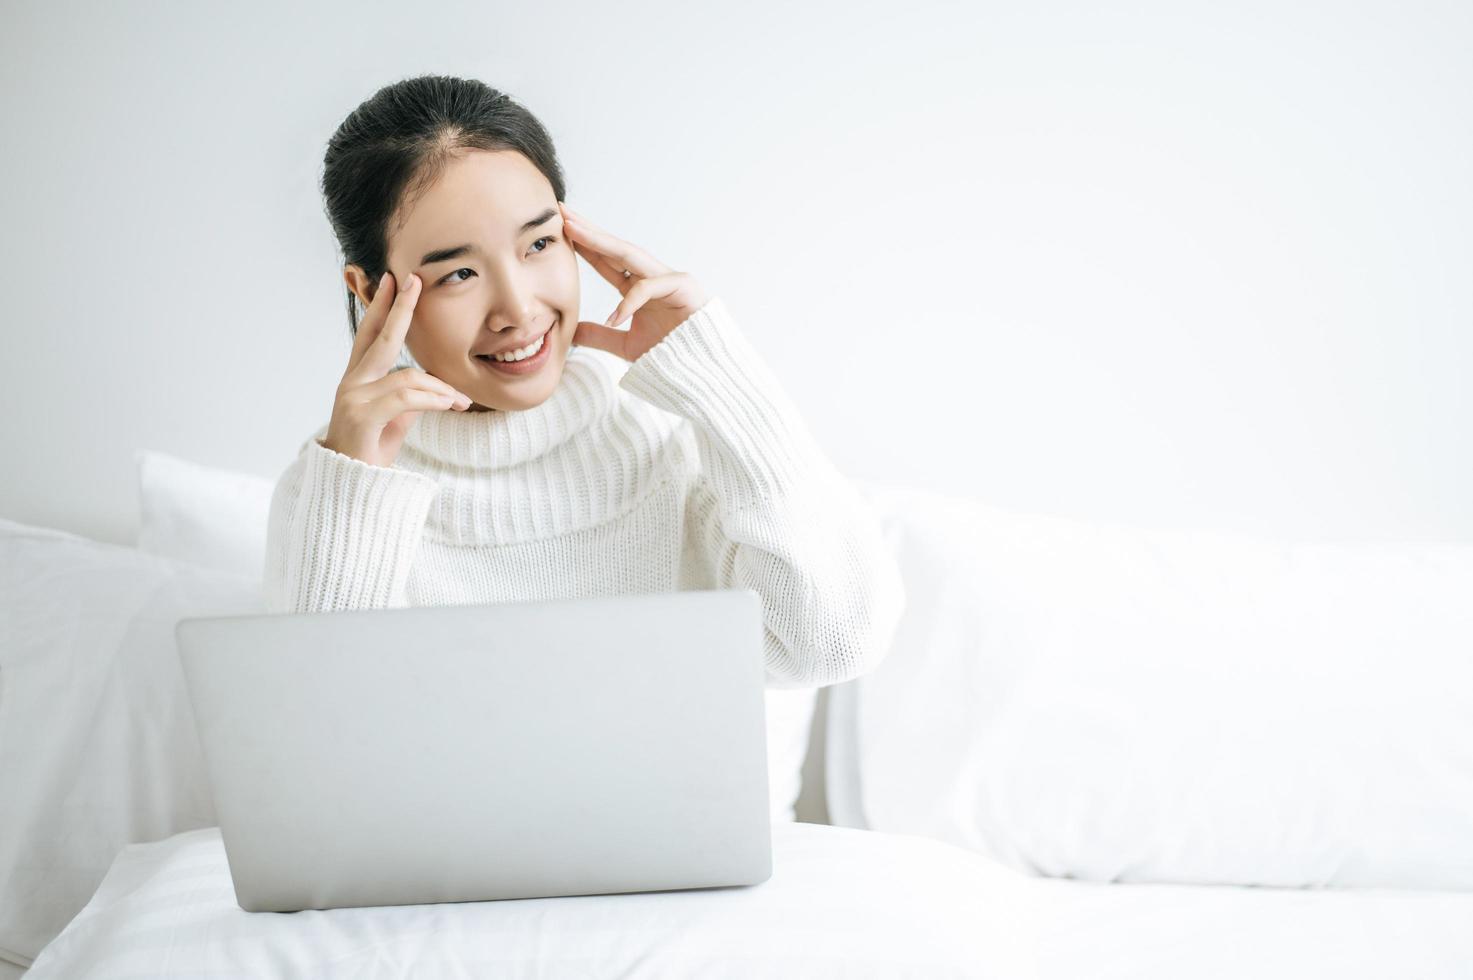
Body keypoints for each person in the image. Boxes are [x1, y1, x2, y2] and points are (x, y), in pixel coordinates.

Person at [263, 74, 906, 689]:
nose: (517, 309)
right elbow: (322, 745)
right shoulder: (335, 482)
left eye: (539, 245)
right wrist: (355, 489)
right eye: (459, 273)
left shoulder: (671, 441)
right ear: (373, 290)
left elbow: (834, 646)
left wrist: (721, 378)